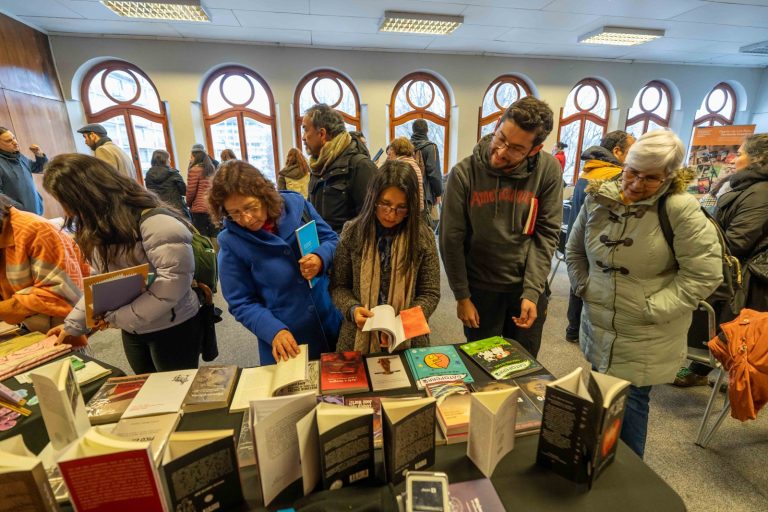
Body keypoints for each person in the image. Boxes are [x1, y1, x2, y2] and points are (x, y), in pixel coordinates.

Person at [566, 129, 722, 457]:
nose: (636, 184)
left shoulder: (680, 209)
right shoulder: (599, 197)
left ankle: (629, 482)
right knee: (600, 393)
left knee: (632, 401)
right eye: (632, 173)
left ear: (669, 176)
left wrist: (652, 308)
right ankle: (598, 462)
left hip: (647, 331)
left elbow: (705, 274)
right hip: (599, 320)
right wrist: (584, 286)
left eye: (651, 178)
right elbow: (574, 249)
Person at [44, 154, 204, 374]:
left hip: (173, 326)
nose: (68, 212)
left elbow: (171, 288)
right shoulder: (101, 226)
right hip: (134, 328)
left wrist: (116, 318)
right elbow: (103, 284)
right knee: (148, 393)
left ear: (88, 195)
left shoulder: (158, 224)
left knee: (177, 395)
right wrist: (73, 325)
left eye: (67, 203)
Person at [439, 97, 562, 358]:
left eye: (516, 148)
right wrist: (462, 296)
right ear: (497, 125)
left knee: (524, 367)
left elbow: (546, 235)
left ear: (535, 149)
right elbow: (451, 240)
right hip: (480, 290)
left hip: (525, 288)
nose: (502, 151)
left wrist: (532, 291)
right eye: (501, 138)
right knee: (483, 368)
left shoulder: (548, 170)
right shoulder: (463, 173)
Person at [210, 160, 341, 363]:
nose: (246, 219)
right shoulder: (230, 242)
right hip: (287, 341)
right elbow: (241, 302)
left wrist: (320, 257)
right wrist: (274, 331)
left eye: (250, 207)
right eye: (234, 213)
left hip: (330, 322)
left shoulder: (298, 207)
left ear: (264, 195)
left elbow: (332, 240)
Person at [675, 133, 768, 387]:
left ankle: (733, 377)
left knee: (730, 329)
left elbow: (738, 241)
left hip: (745, 275)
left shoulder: (761, 193)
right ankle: (703, 371)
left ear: (757, 159)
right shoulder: (743, 185)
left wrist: (700, 249)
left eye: (739, 153)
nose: (733, 158)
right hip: (733, 266)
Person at [330, 160, 440, 353]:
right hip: (357, 335)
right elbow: (339, 286)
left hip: (409, 338)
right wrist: (352, 309)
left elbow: (430, 292)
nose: (391, 214)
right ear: (373, 199)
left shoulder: (423, 237)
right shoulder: (352, 232)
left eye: (401, 208)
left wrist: (401, 325)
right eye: (385, 204)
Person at [564, 131, 635, 342]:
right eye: (632, 151)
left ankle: (573, 328)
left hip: (579, 237)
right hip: (598, 241)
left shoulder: (589, 170)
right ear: (617, 151)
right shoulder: (614, 177)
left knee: (578, 280)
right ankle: (584, 331)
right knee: (592, 286)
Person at [0, 193, 90, 342]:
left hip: (62, 328)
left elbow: (60, 294)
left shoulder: (36, 230)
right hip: (26, 328)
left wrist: (8, 308)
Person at [303, 103, 377, 233]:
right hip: (322, 250)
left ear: (322, 134)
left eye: (305, 129)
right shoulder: (318, 166)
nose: (303, 137)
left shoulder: (360, 166)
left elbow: (370, 224)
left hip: (346, 251)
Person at [0, 127, 46, 215]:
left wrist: (39, 154)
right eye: (8, 141)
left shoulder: (20, 157)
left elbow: (40, 168)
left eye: (14, 138)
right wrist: (19, 208)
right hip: (19, 217)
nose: (15, 142)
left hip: (36, 211)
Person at [144, 149, 190, 219]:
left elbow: (150, 193)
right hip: (177, 210)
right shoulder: (174, 174)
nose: (170, 161)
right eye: (168, 159)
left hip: (160, 211)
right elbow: (184, 191)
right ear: (164, 160)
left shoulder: (148, 175)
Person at [186, 144, 218, 241]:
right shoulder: (211, 168)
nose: (190, 158)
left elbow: (191, 192)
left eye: (191, 156)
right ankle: (216, 255)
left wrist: (188, 204)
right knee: (214, 234)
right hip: (211, 206)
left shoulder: (194, 170)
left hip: (199, 209)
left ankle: (208, 255)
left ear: (195, 156)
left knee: (203, 236)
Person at [411, 119, 443, 215]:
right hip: (425, 194)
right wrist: (438, 193)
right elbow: (434, 173)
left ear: (413, 130)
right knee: (424, 227)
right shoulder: (431, 147)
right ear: (427, 130)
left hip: (408, 192)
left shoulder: (406, 146)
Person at [386, 137, 425, 212]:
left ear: (396, 150)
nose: (389, 155)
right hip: (414, 206)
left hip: (406, 208)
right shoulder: (412, 162)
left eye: (391, 150)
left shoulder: (401, 165)